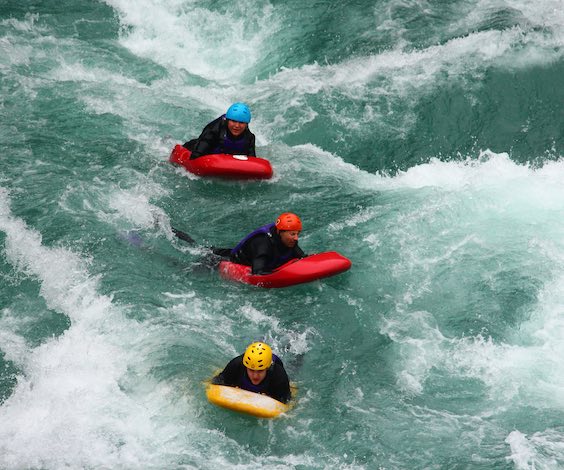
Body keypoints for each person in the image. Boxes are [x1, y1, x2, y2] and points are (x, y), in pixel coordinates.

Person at [213, 212, 306, 275]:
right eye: (292, 234)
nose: (296, 238)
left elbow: (303, 257)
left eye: (298, 234)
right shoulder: (263, 243)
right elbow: (258, 273)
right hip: (227, 259)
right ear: (279, 232)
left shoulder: (289, 240)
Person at [212, 342, 291, 404]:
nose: (255, 376)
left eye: (260, 371)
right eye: (251, 370)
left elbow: (286, 403)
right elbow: (216, 383)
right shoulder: (236, 365)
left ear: (267, 368)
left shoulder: (279, 376)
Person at [183, 102, 256, 160]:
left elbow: (252, 161)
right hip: (195, 148)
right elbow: (197, 154)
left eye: (241, 123)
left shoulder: (249, 138)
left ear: (246, 124)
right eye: (233, 121)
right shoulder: (214, 130)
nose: (237, 126)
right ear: (227, 121)